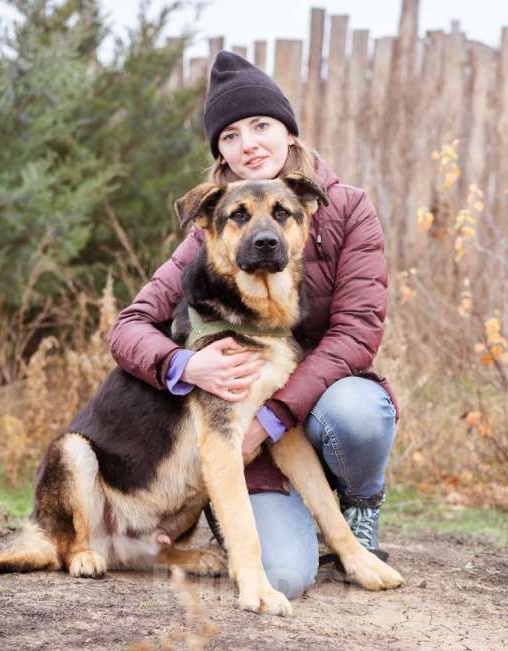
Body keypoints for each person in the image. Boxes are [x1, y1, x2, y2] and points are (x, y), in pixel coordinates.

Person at [109, 51, 397, 600]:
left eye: (262, 125)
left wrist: (271, 416)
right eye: (232, 136)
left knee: (359, 411)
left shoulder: (346, 207)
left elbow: (358, 331)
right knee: (285, 577)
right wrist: (184, 362)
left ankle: (357, 514)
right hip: (245, 430)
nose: (250, 144)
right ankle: (247, 513)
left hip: (316, 404)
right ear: (221, 152)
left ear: (288, 133)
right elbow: (130, 326)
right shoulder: (213, 226)